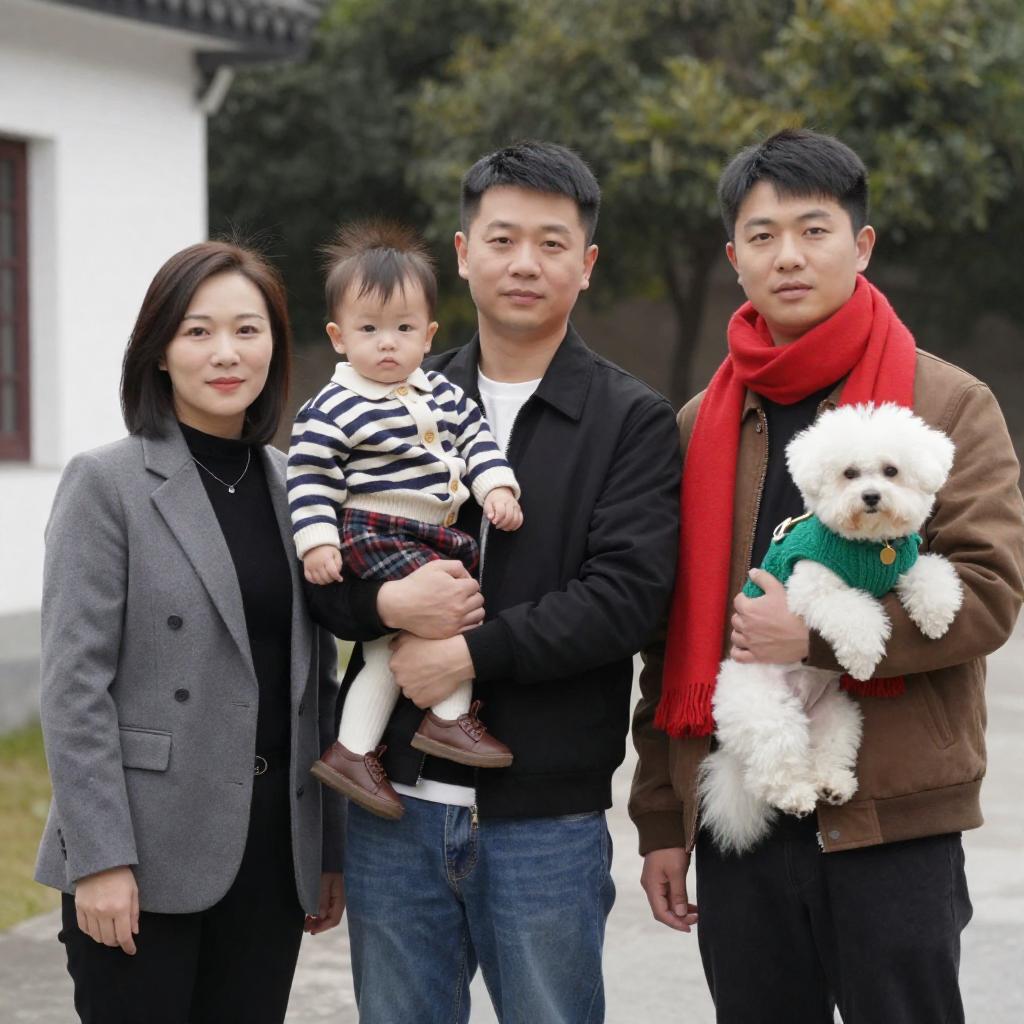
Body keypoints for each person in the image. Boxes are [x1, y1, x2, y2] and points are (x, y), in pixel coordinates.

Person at [629, 128, 1024, 1023]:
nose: (789, 256)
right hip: (745, 805)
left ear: (862, 243)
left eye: (814, 230)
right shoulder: (698, 424)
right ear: (734, 258)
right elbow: (671, 633)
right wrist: (661, 817)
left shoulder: (949, 403)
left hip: (895, 813)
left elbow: (989, 593)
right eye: (762, 235)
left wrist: (810, 640)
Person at [304, 141, 681, 1023]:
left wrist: (467, 654)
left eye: (552, 244)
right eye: (502, 239)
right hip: (392, 807)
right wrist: (385, 603)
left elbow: (625, 598)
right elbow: (318, 554)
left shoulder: (630, 419)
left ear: (586, 264)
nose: (524, 263)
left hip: (544, 823)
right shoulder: (386, 391)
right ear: (464, 252)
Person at [34, 241, 346, 1024]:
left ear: (275, 345)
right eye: (198, 331)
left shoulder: (297, 486)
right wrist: (100, 859)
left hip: (272, 850)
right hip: (144, 851)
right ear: (159, 352)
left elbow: (316, 684)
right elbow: (74, 689)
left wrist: (327, 848)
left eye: (247, 330)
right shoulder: (107, 483)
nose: (226, 353)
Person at [287, 220, 522, 819]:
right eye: (369, 329)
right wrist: (317, 541)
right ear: (339, 337)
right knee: (450, 613)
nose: (387, 344)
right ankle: (448, 718)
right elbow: (309, 476)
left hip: (432, 534)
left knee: (388, 646)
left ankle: (352, 751)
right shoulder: (333, 406)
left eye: (404, 329)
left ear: (429, 334)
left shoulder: (442, 394)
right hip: (374, 530)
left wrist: (496, 485)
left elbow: (477, 441)